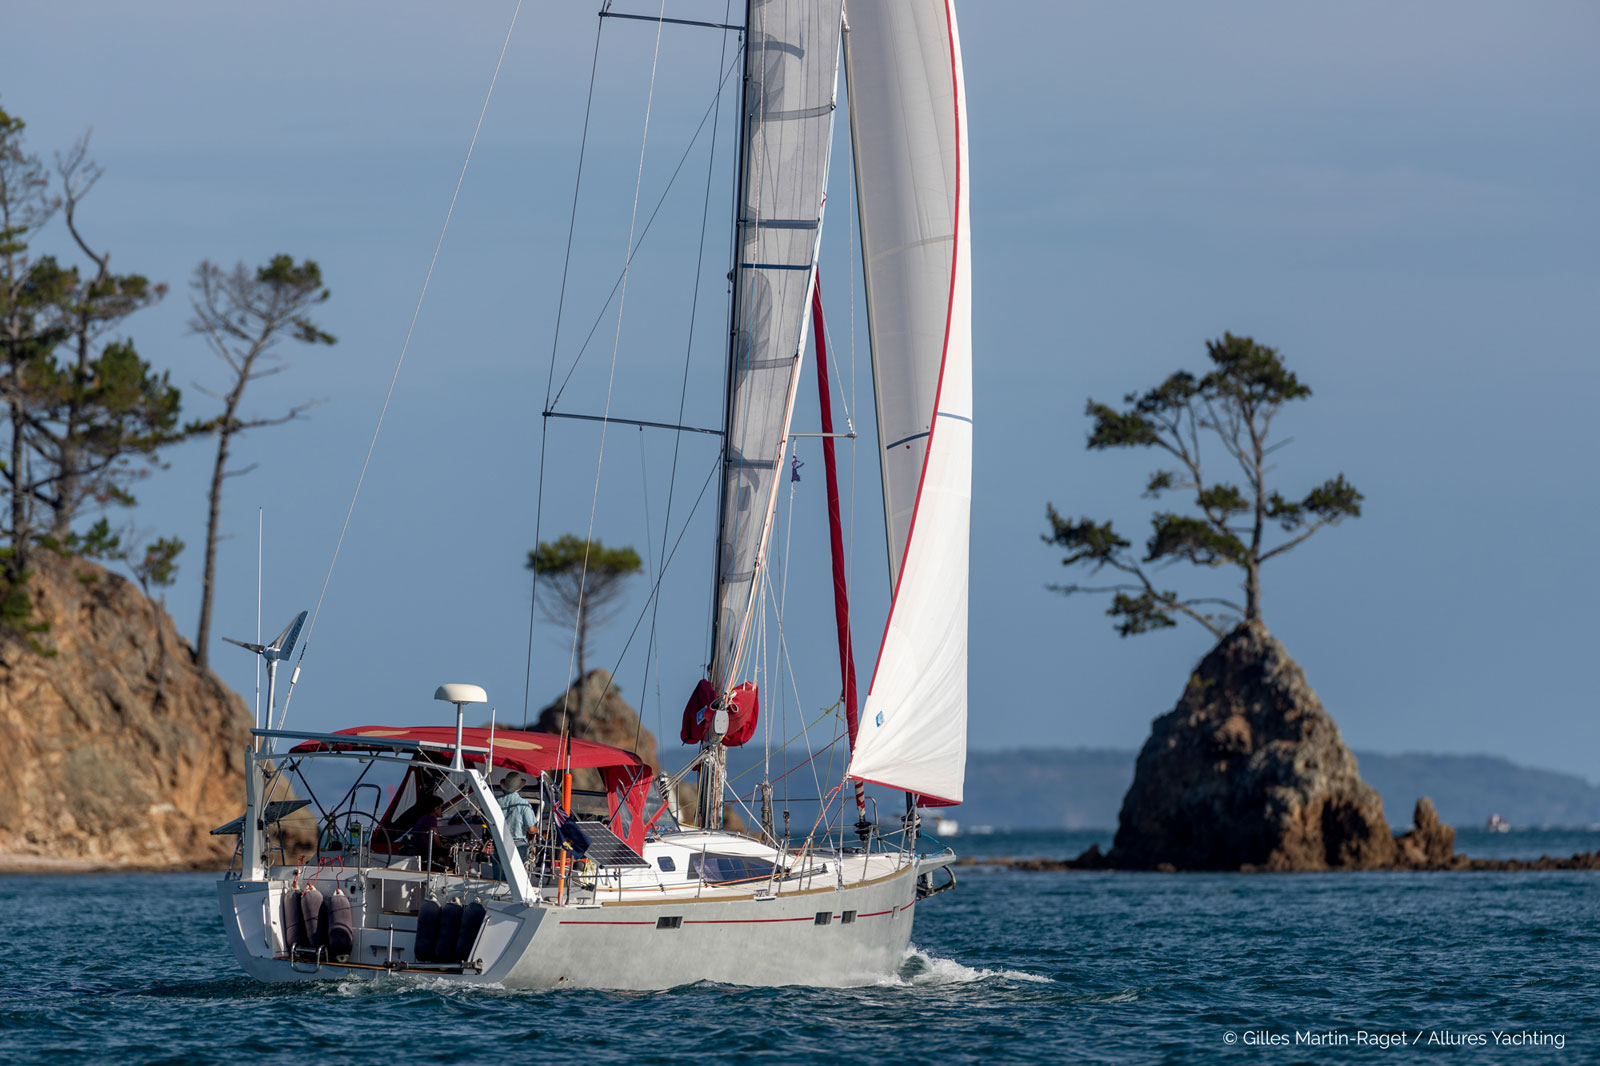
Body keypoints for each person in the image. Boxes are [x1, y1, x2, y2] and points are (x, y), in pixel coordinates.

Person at [493, 772, 538, 881]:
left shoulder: (495, 802)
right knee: (516, 879)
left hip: (499, 842)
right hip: (517, 844)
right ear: (519, 788)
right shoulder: (523, 804)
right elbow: (531, 829)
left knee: (499, 879)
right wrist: (537, 830)